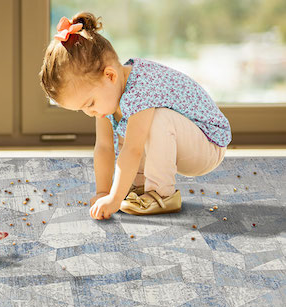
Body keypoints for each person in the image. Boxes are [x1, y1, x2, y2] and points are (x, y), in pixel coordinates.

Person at [39, 12, 231, 220]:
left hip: (208, 144)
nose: (90, 112)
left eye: (90, 104)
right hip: (179, 145)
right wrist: (103, 192)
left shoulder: (141, 89)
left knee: (155, 121)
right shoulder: (108, 93)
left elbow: (133, 150)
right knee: (134, 128)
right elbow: (103, 147)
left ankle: (161, 193)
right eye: (82, 109)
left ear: (110, 75)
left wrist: (114, 198)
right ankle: (138, 188)